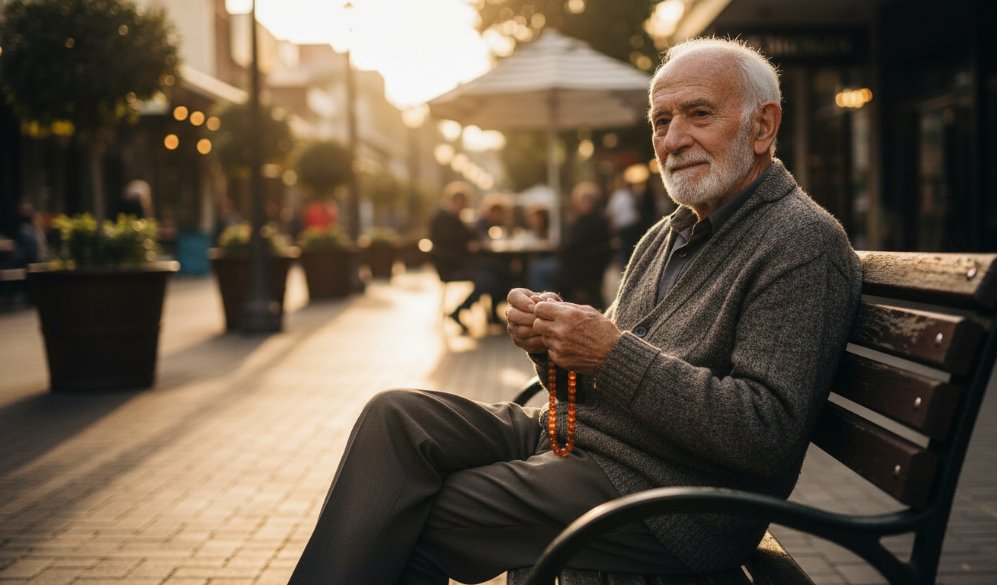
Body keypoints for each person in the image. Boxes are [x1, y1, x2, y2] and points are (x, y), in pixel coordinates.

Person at [287, 38, 862, 584]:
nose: (673, 139)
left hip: (671, 502)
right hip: (580, 443)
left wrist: (610, 353)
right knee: (396, 415)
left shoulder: (802, 242)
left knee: (409, 513)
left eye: (699, 114)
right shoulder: (669, 234)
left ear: (762, 126)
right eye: (661, 121)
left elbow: (765, 433)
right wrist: (551, 345)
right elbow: (592, 384)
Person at [427, 181, 509, 333]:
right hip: (453, 265)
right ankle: (460, 311)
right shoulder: (444, 219)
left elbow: (466, 236)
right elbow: (455, 242)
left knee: (497, 270)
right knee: (489, 278)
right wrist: (469, 246)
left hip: (458, 262)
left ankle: (489, 315)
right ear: (457, 201)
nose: (464, 208)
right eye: (464, 204)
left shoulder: (449, 217)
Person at [527, 181, 613, 308]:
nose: (576, 205)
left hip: (575, 270)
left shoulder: (585, 223)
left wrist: (558, 250)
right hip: (592, 271)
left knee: (536, 268)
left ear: (586, 202)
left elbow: (568, 250)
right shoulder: (602, 221)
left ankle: (542, 308)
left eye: (578, 201)